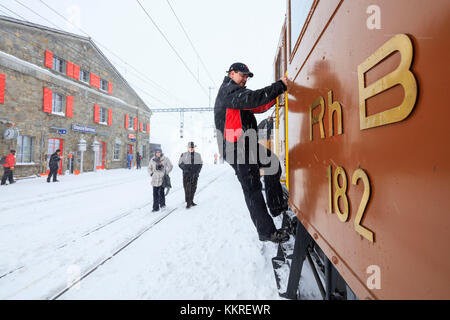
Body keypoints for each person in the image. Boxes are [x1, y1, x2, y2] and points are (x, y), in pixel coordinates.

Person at [214, 62, 290, 243]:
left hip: (246, 143)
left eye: (247, 77)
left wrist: (279, 92)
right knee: (253, 188)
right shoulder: (229, 90)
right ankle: (266, 231)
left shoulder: (236, 95)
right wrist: (279, 85)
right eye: (243, 75)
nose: (245, 79)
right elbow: (254, 99)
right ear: (232, 73)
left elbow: (258, 106)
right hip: (235, 147)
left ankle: (276, 205)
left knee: (272, 164)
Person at [178, 142, 203, 209]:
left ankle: (191, 201)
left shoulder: (198, 155)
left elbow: (200, 164)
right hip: (186, 175)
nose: (191, 148)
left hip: (195, 175)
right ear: (187, 148)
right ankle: (188, 202)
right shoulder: (183, 155)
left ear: (194, 147)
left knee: (193, 189)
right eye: (190, 147)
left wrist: (197, 172)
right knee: (187, 189)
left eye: (192, 147)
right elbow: (180, 164)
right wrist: (185, 169)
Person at [148, 147, 173, 212]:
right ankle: (155, 207)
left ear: (161, 152)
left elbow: (170, 166)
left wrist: (165, 172)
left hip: (162, 178)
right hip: (154, 178)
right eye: (157, 152)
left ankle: (162, 205)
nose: (158, 153)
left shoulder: (165, 159)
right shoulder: (152, 160)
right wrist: (151, 174)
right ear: (155, 153)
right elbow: (149, 168)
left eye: (159, 152)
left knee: (161, 192)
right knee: (155, 193)